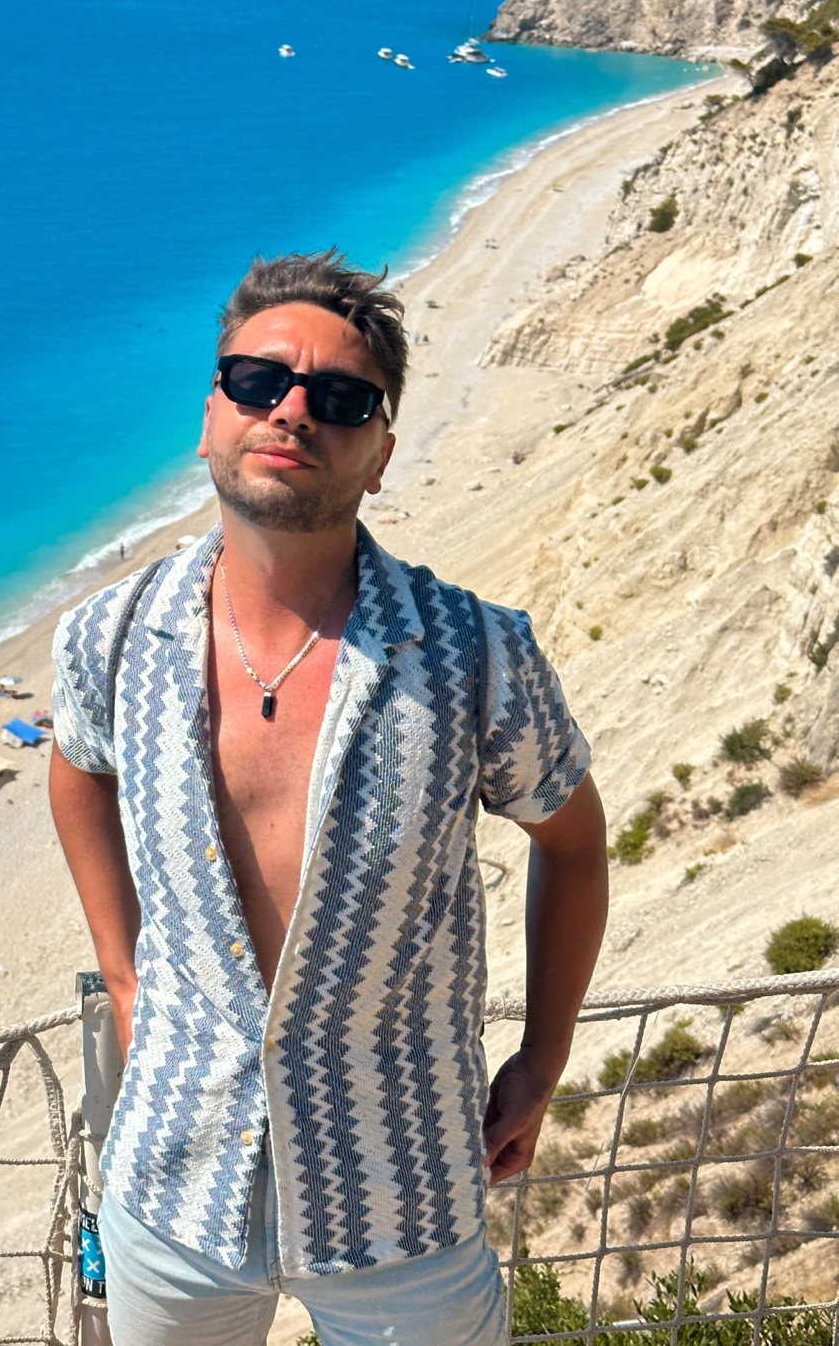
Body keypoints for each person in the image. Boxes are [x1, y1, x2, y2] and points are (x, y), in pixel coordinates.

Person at [49, 250, 608, 1346]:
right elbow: (78, 767)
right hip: (172, 1184)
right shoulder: (109, 636)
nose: (293, 410)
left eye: (342, 398)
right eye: (259, 380)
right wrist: (123, 973)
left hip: (405, 1195)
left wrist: (544, 1059)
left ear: (381, 453)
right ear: (211, 415)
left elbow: (575, 841)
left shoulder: (475, 655)